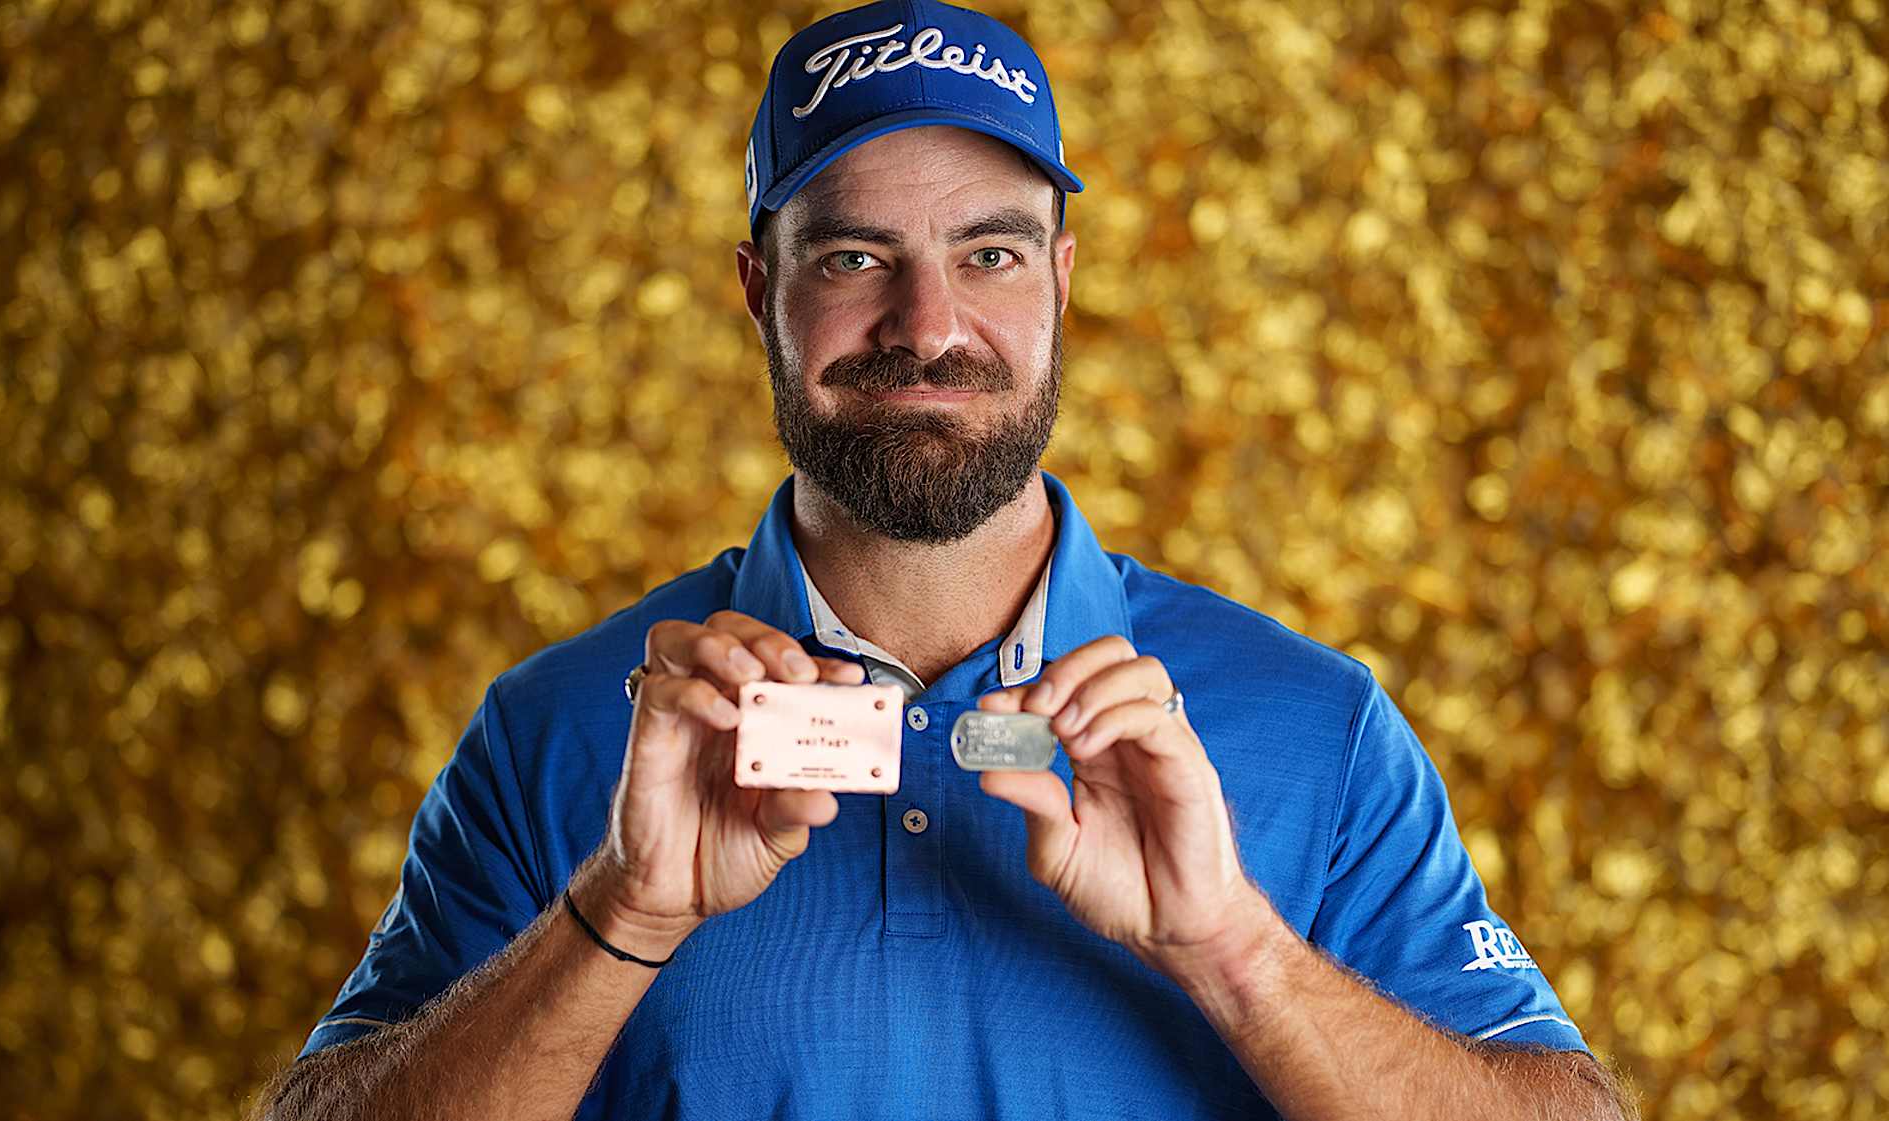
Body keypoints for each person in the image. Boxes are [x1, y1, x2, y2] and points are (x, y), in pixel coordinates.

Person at [258, 1, 1635, 1118]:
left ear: (1063, 281)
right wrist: (623, 912)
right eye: (857, 254)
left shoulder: (1315, 728)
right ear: (759, 290)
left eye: (990, 253)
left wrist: (1239, 957)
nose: (931, 323)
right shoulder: (564, 730)